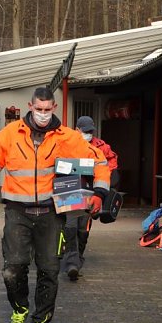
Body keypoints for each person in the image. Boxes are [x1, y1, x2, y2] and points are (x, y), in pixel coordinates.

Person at [0, 87, 111, 323]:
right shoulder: (10, 134)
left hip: (51, 213)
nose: (43, 114)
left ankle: (41, 322)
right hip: (17, 212)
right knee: (13, 268)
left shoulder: (68, 138)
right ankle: (19, 310)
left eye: (48, 110)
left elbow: (100, 163)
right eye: (39, 109)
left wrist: (100, 193)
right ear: (30, 106)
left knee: (49, 269)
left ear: (55, 108)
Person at [60, 116, 119, 282]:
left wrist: (106, 177)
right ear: (77, 129)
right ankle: (72, 263)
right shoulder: (67, 142)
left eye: (90, 131)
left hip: (91, 190)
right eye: (85, 131)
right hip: (70, 187)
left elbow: (110, 162)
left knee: (83, 230)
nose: (88, 134)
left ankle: (77, 258)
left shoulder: (101, 146)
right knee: (70, 226)